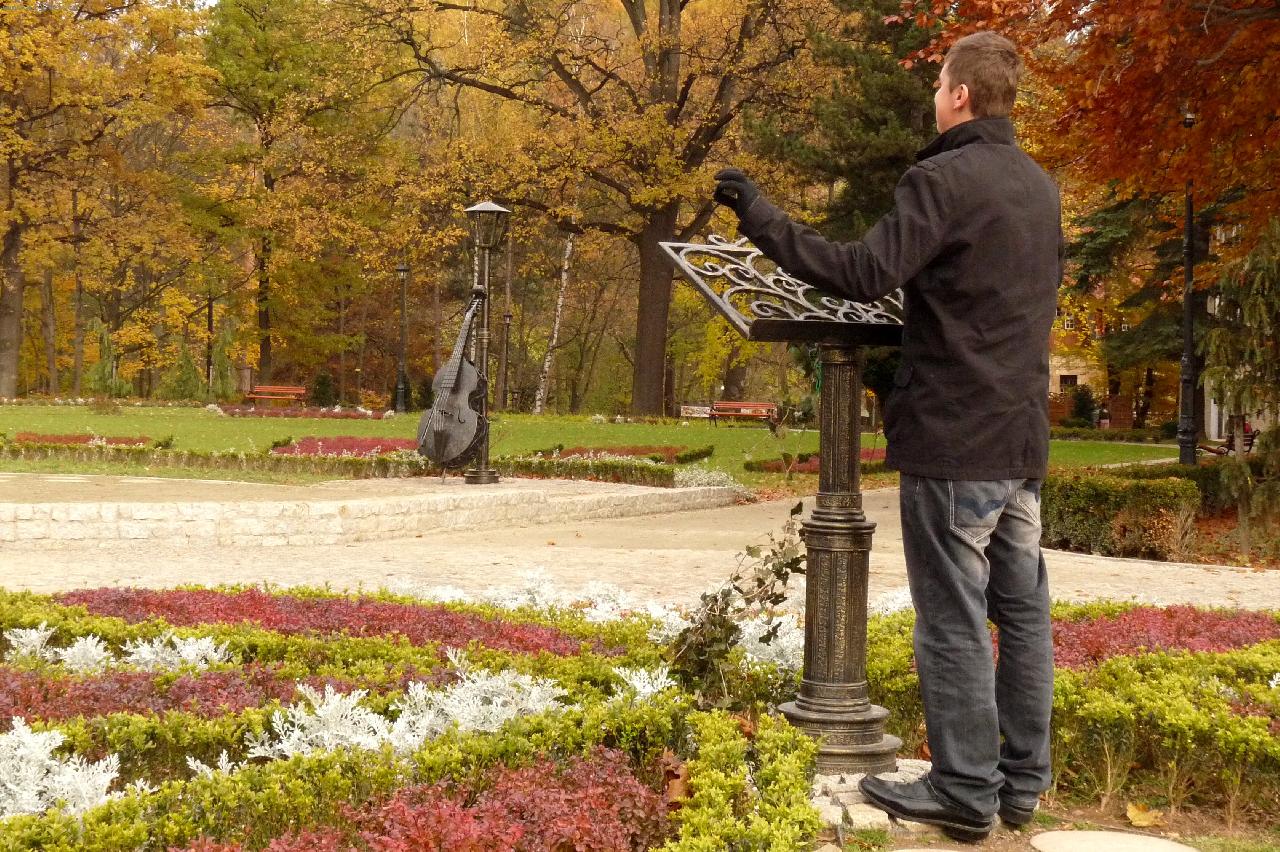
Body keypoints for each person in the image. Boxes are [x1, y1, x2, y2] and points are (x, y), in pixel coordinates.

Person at [712, 31, 1061, 843]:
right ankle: (1021, 786)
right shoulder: (1039, 186)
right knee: (1022, 612)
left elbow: (862, 272)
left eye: (939, 84)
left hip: (955, 439)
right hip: (1019, 441)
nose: (935, 95)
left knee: (952, 618)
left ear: (961, 95)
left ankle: (965, 792)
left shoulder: (941, 178)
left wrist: (759, 214)